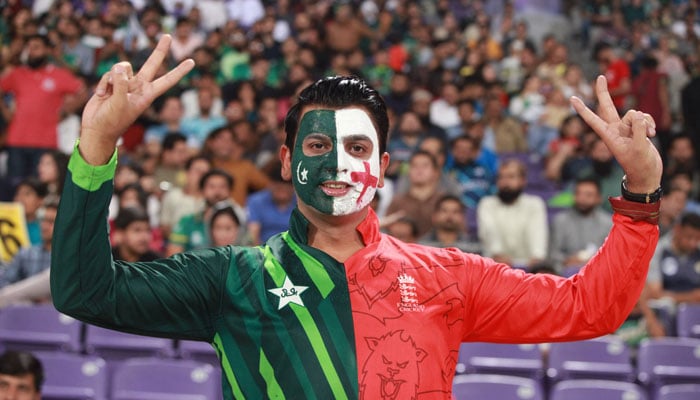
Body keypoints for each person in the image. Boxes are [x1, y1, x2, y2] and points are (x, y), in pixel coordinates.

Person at [51, 36, 662, 399]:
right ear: (288, 159)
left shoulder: (447, 276)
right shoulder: (232, 278)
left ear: (386, 164)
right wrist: (96, 150)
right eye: (318, 147)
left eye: (359, 148)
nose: (339, 164)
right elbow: (84, 291)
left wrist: (640, 192)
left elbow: (592, 308)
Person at [0, 34, 85, 184]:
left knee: (39, 186)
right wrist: (6, 112)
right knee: (14, 186)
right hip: (17, 140)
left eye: (36, 48)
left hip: (45, 142)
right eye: (29, 48)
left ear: (47, 50)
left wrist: (65, 112)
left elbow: (82, 92)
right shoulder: (18, 74)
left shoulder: (58, 74)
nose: (31, 52)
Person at [476, 159, 548, 268]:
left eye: (511, 177)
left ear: (523, 181)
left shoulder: (534, 204)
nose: (505, 182)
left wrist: (537, 257)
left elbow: (538, 237)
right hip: (495, 267)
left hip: (530, 267)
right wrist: (498, 254)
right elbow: (490, 234)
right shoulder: (487, 204)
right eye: (501, 177)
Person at [549, 177, 613, 274]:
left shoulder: (609, 223)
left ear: (598, 198)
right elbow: (552, 254)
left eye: (588, 195)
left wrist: (592, 261)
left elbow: (612, 255)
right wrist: (568, 260)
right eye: (578, 194)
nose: (582, 199)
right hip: (565, 273)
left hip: (599, 272)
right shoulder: (560, 221)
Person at [0, 200, 57, 288]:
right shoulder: (26, 253)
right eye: (43, 220)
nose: (44, 226)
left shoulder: (72, 258)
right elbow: (5, 282)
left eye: (51, 222)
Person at [647, 212, 700, 304]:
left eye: (697, 239)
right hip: (666, 311)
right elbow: (655, 293)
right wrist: (689, 297)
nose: (693, 243)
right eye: (689, 237)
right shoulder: (658, 251)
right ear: (677, 229)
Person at [246, 166, 296, 245]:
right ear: (270, 185)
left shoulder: (302, 203)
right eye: (278, 188)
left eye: (286, 188)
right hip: (263, 250)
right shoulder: (256, 201)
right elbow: (253, 233)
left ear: (294, 187)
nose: (282, 192)